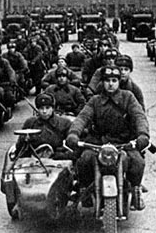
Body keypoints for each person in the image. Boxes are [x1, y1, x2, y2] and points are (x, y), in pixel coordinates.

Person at [66, 66, 150, 210]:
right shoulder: (95, 100)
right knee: (84, 160)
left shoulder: (128, 97)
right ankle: (85, 190)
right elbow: (83, 117)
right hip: (98, 143)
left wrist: (143, 135)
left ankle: (135, 191)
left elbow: (139, 116)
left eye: (114, 80)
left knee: (137, 162)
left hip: (123, 142)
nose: (110, 84)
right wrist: (73, 133)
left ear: (118, 82)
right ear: (102, 82)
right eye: (107, 80)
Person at [14, 92, 72, 160]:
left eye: (47, 108)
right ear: (37, 109)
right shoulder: (30, 123)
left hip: (57, 160)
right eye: (41, 108)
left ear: (53, 108)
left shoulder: (64, 123)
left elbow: (71, 148)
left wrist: (61, 155)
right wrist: (24, 140)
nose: (44, 111)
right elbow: (19, 148)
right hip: (32, 160)